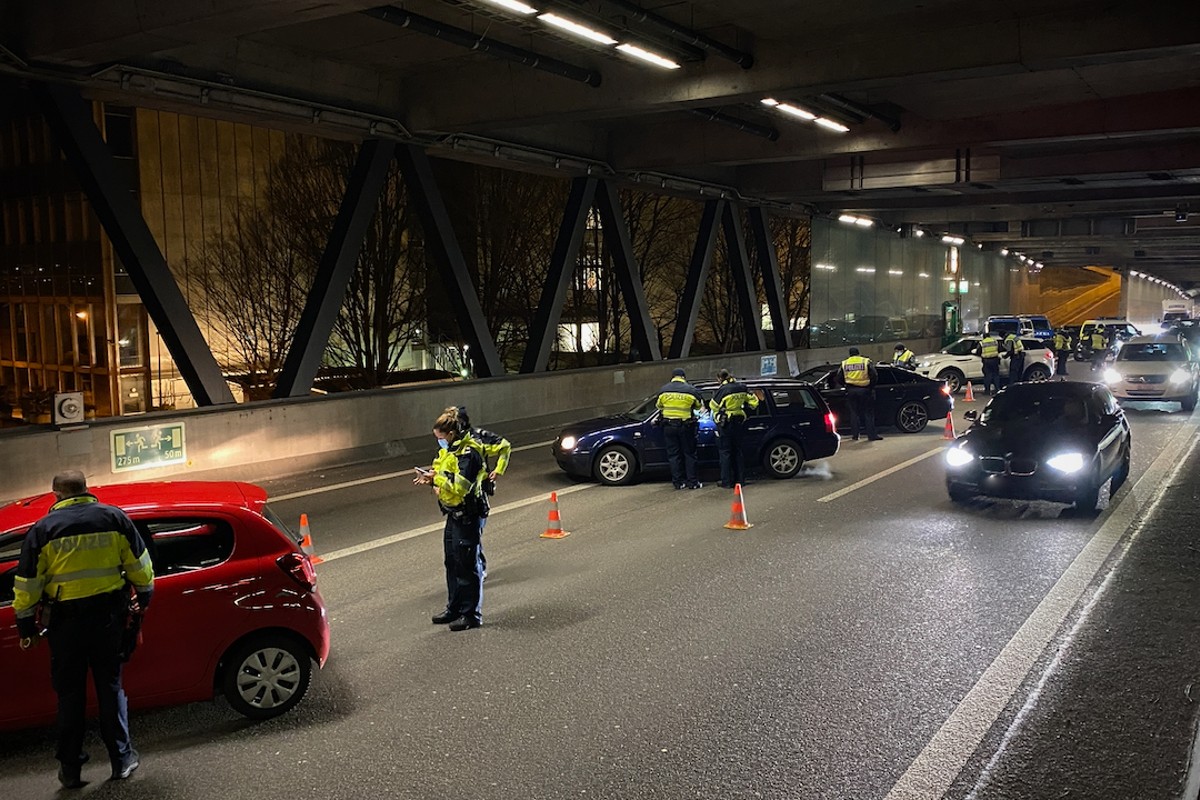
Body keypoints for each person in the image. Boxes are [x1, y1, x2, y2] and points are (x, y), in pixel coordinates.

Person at [13, 470, 154, 788]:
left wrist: (25, 627)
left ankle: (71, 770)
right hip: (108, 621)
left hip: (66, 627)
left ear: (56, 495)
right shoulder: (115, 518)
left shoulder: (43, 530)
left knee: (70, 696)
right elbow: (141, 567)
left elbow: (27, 585)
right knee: (111, 688)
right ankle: (121, 760)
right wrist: (144, 598)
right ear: (86, 490)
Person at [414, 408, 487, 631]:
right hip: (453, 515)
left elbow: (461, 487)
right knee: (452, 563)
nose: (439, 443)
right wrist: (430, 478)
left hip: (468, 515)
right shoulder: (450, 451)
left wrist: (438, 480)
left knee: (467, 566)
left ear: (452, 434)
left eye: (441, 438)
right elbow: (440, 470)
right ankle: (454, 608)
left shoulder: (468, 453)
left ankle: (471, 615)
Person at [456, 406, 511, 580]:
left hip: (477, 493)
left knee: (474, 533)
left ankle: (479, 568)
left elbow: (504, 446)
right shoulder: (451, 441)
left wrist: (498, 469)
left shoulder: (478, 438)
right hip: (458, 495)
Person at [709, 369, 760, 488]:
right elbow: (754, 403)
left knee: (725, 453)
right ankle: (740, 480)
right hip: (739, 422)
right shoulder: (742, 387)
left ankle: (726, 481)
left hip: (726, 424)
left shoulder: (723, 390)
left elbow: (713, 406)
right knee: (738, 451)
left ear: (720, 379)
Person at [656, 367, 705, 489]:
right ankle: (692, 482)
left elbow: (659, 406)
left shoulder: (664, 390)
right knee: (689, 454)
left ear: (672, 377)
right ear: (683, 377)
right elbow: (699, 406)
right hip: (685, 426)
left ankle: (678, 483)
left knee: (673, 455)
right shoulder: (690, 390)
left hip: (668, 427)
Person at [837, 347, 882, 441]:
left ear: (850, 354)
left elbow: (839, 378)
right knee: (868, 413)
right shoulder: (865, 361)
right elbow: (874, 375)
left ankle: (855, 435)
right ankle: (871, 435)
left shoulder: (845, 363)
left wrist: (846, 385)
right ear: (858, 353)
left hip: (851, 390)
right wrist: (870, 386)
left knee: (854, 413)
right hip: (865, 390)